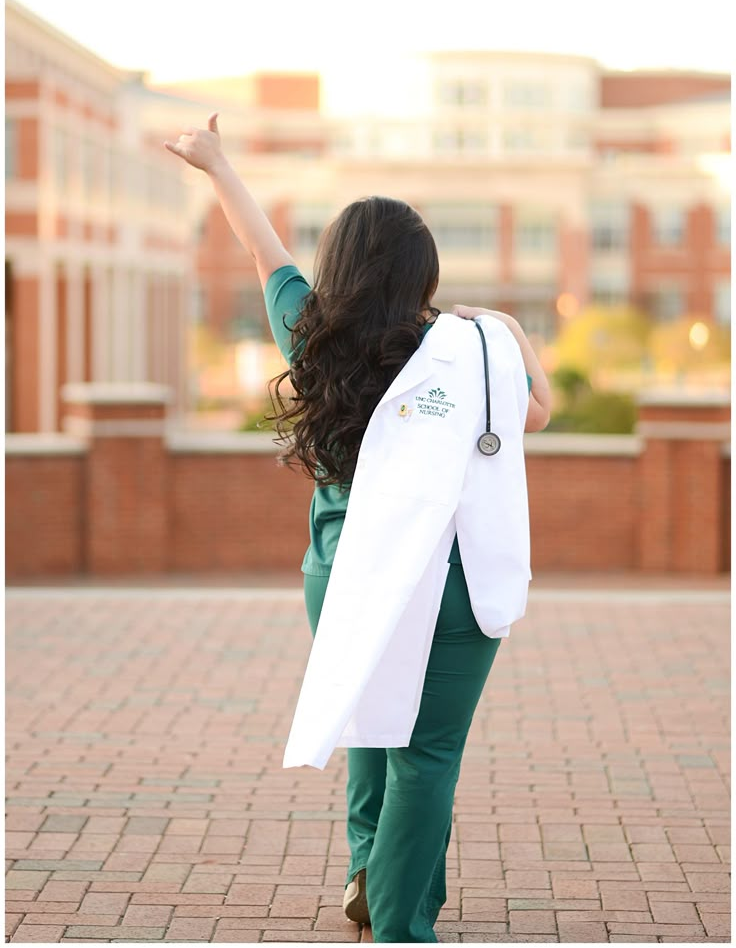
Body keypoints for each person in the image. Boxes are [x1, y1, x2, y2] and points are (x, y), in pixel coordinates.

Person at [165, 113, 552, 943]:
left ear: (339, 266)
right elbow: (539, 411)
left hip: (339, 570)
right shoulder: (470, 350)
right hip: (450, 577)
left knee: (370, 718)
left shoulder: (313, 336)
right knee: (426, 751)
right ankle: (401, 923)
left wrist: (218, 165)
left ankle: (370, 870)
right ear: (426, 272)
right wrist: (509, 330)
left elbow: (266, 251)